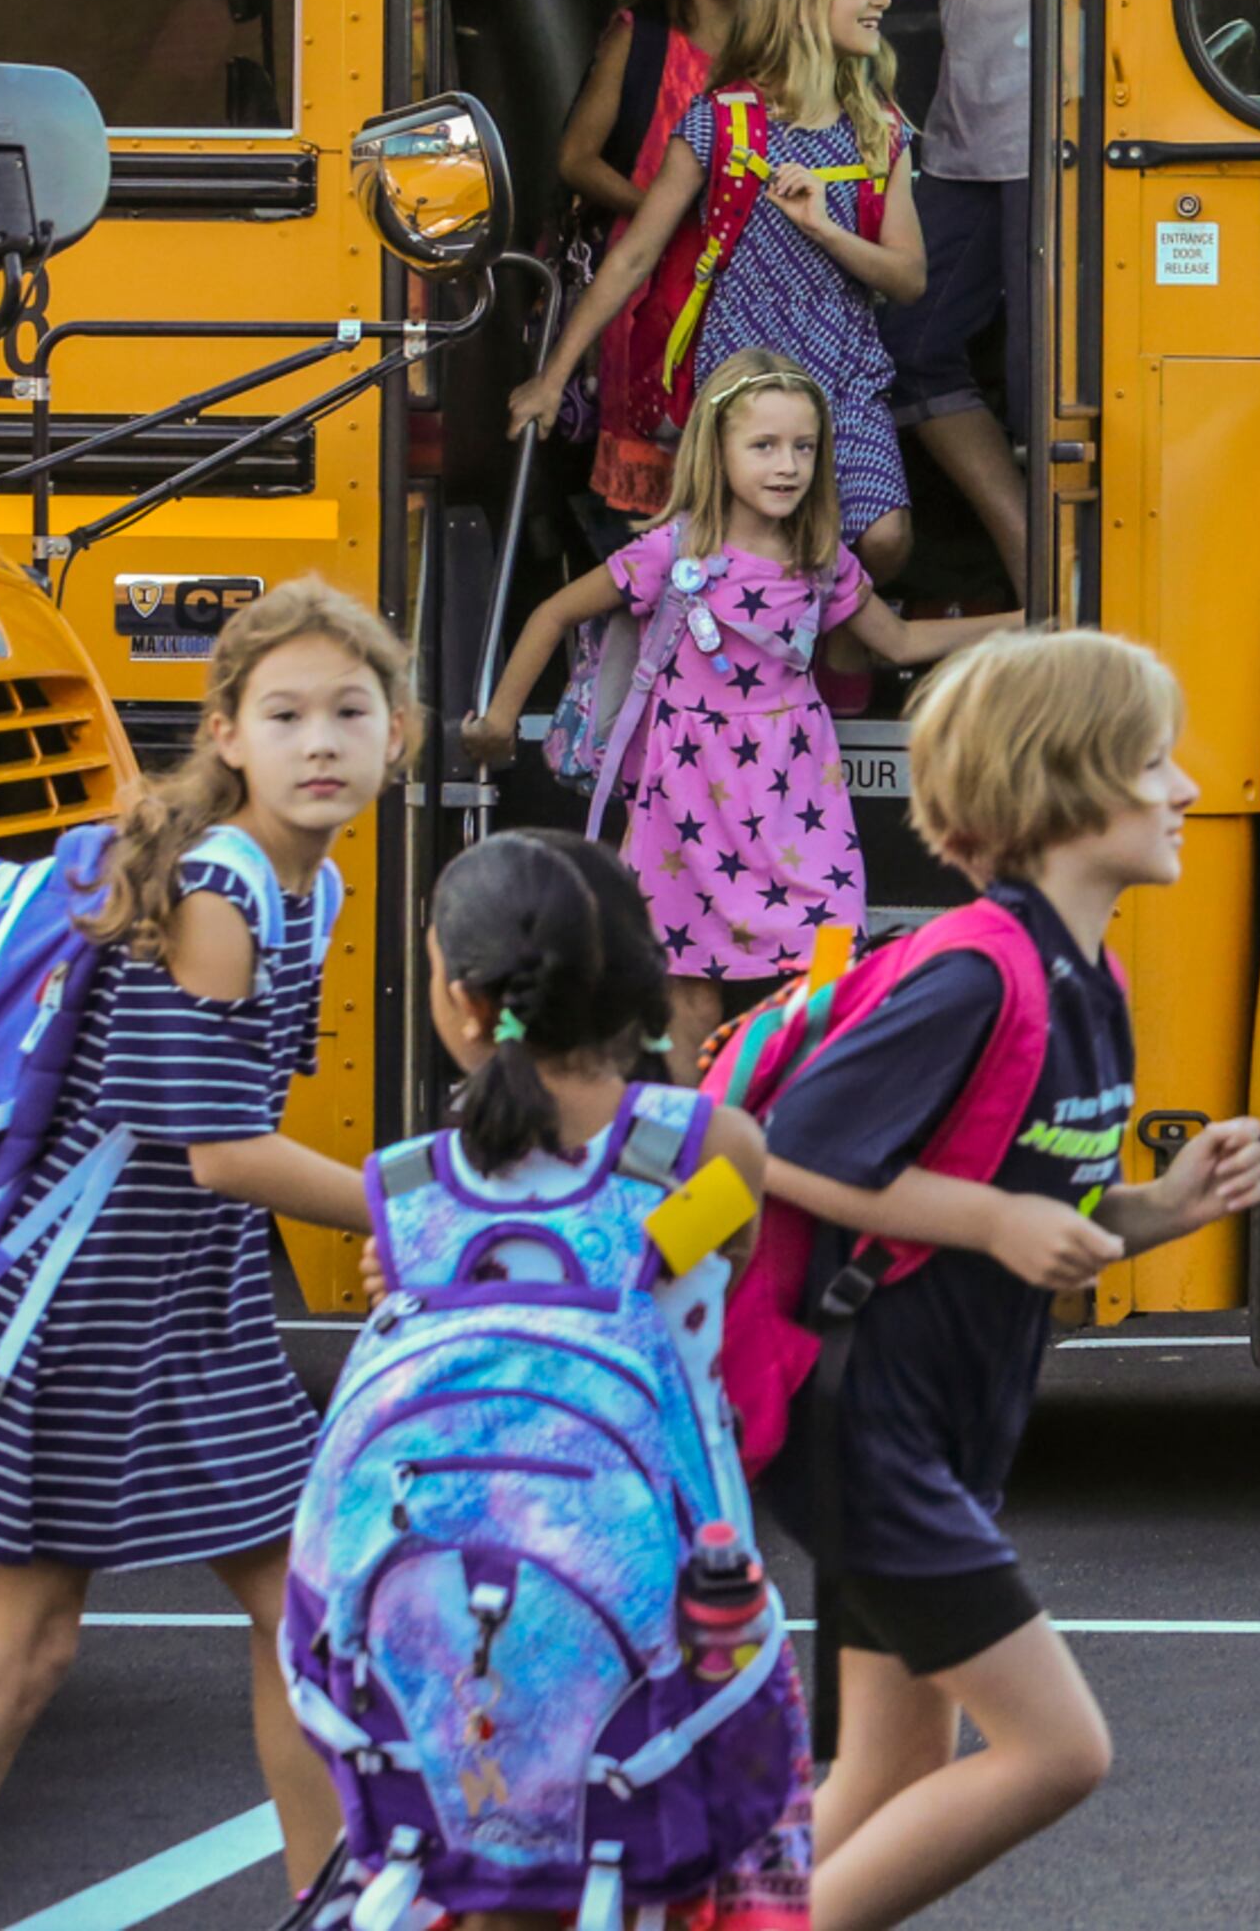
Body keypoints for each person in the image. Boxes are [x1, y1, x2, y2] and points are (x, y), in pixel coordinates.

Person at [752, 629, 1260, 1931]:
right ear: (1068, 783)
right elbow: (794, 1150)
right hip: (863, 1422)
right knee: (1056, 1749)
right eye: (1154, 760)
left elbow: (1048, 1210)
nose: (1185, 788)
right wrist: (988, 1221)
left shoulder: (1085, 976)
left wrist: (1160, 1208)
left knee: (889, 1766)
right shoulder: (979, 967)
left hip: (932, 1421)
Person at [0, 583, 416, 1883]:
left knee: (300, 1619)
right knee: (27, 1643)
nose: (319, 739)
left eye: (349, 711)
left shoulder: (304, 887)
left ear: (400, 736)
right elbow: (218, 1150)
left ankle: (332, 1907)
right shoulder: (218, 892)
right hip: (84, 1305)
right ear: (225, 735)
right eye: (285, 714)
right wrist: (420, 1202)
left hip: (188, 1298)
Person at [349, 827, 812, 1931]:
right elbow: (707, 1262)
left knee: (496, 1885)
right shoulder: (712, 1152)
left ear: (463, 1004)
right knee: (660, 1868)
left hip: (454, 1634)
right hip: (665, 1603)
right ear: (639, 989)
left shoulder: (407, 1199)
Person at [468, 350, 1015, 1077]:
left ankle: (784, 1119)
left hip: (794, 791)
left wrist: (1029, 620)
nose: (787, 465)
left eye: (804, 447)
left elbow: (898, 640)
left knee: (826, 961)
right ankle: (705, 1142)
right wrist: (500, 720)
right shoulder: (674, 551)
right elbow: (552, 613)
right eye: (764, 446)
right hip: (685, 790)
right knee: (688, 983)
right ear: (715, 451)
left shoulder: (821, 558)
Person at [640, 0, 1039, 603]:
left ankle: (1055, 579)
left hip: (1065, 127)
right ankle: (1033, 564)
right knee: (922, 343)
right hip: (974, 124)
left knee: (1046, 374)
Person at [509, 0, 928, 582]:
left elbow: (908, 278)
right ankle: (776, 683)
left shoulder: (880, 131)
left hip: (846, 378)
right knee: (759, 556)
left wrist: (824, 228)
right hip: (743, 381)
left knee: (881, 539)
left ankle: (830, 675)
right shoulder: (722, 120)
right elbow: (635, 256)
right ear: (801, 3)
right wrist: (551, 379)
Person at [558, 0, 787, 516]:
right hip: (652, 285)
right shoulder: (645, 41)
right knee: (661, 489)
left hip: (750, 283)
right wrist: (669, 214)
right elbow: (578, 158)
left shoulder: (775, 49)